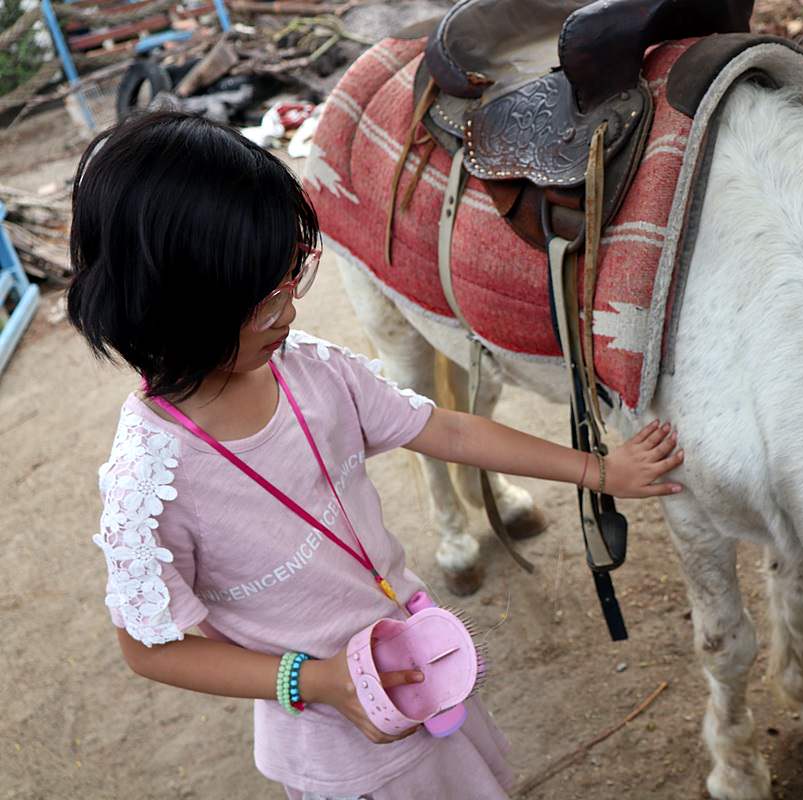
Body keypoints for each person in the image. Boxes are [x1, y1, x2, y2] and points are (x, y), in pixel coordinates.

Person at [67, 111, 685, 799]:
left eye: (290, 281)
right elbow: (149, 646)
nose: (288, 315)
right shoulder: (150, 485)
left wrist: (599, 470)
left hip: (415, 659)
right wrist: (315, 681)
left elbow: (446, 432)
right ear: (169, 309)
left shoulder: (311, 371)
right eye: (260, 304)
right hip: (340, 745)